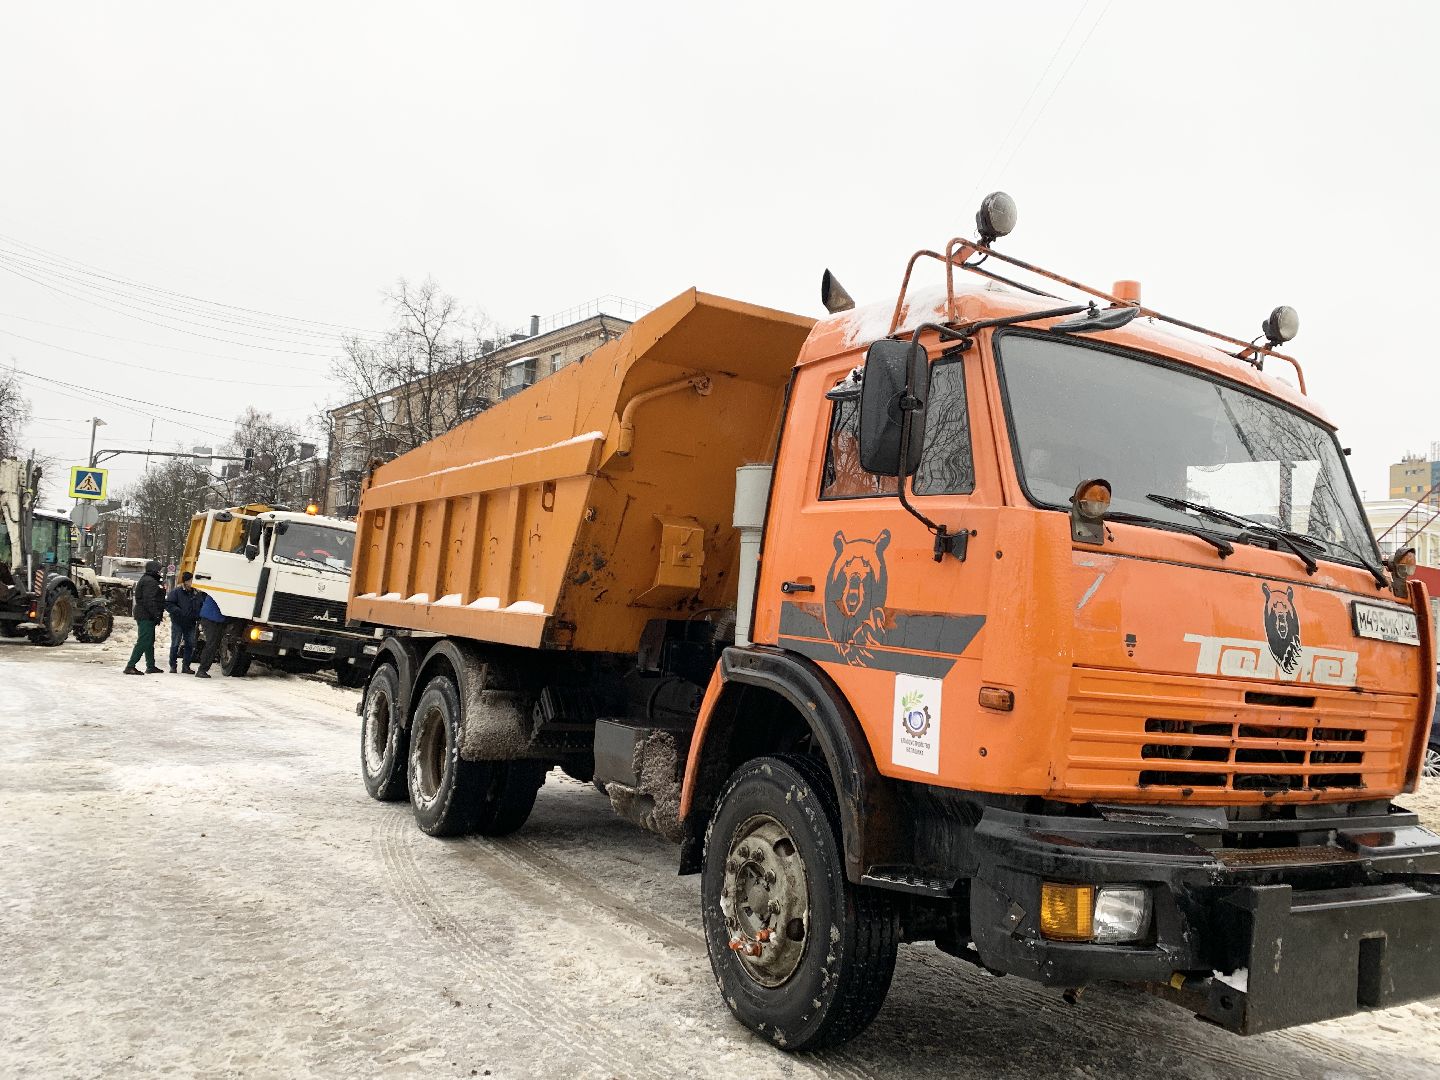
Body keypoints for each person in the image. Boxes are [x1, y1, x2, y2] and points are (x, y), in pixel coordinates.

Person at [123, 560, 166, 675]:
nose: (160, 572)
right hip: (146, 615)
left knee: (149, 641)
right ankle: (130, 666)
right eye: (159, 570)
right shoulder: (150, 582)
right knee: (143, 641)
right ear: (155, 570)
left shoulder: (148, 579)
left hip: (146, 614)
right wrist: (156, 614)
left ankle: (150, 665)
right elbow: (149, 600)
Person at [164, 571, 204, 673]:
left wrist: (198, 615)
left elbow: (200, 605)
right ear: (185, 582)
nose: (192, 582)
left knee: (190, 644)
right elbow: (168, 604)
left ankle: (186, 666)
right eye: (190, 580)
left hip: (190, 623)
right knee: (175, 644)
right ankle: (173, 665)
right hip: (178, 622)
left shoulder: (197, 593)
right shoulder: (176, 592)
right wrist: (178, 612)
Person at [192, 590, 227, 679]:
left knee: (212, 644)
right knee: (211, 645)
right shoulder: (222, 591)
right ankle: (202, 670)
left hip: (209, 617)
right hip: (213, 619)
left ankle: (202, 669)